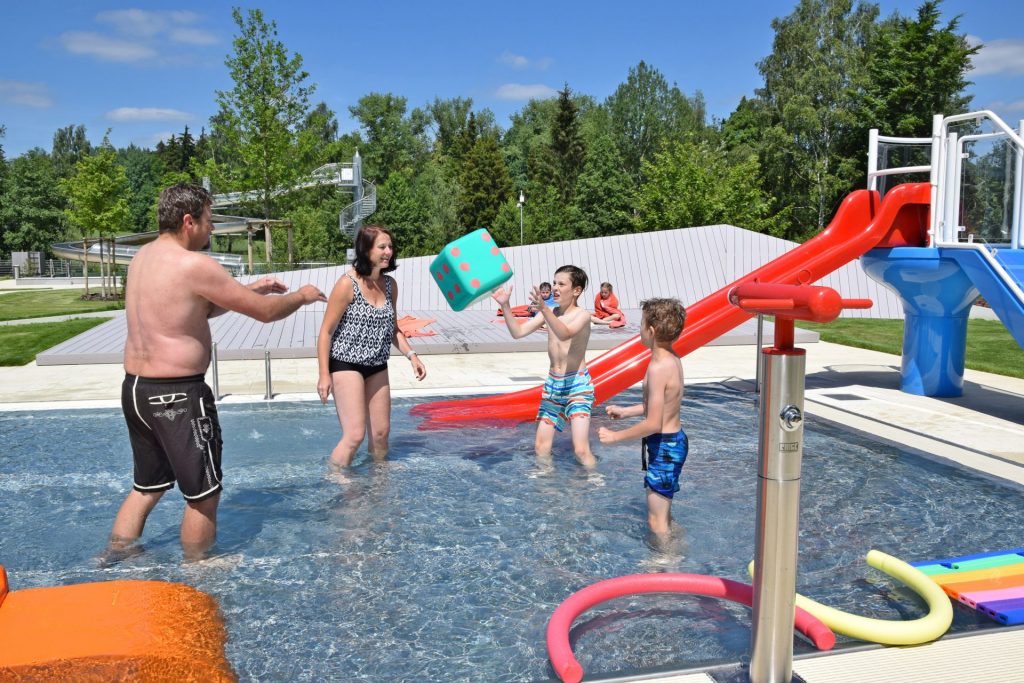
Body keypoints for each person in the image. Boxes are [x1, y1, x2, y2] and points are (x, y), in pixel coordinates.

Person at [110, 183, 327, 561]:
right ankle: (200, 572)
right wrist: (301, 296)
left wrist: (253, 287)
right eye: (209, 221)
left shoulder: (143, 258)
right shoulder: (194, 264)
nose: (212, 229)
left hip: (137, 391)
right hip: (177, 394)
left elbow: (196, 309)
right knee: (204, 495)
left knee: (147, 487)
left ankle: (113, 561)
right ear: (189, 221)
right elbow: (266, 314)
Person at [317, 224, 427, 469]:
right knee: (355, 435)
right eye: (382, 247)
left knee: (380, 434)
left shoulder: (390, 285)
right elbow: (325, 332)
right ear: (366, 250)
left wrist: (412, 355)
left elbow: (392, 329)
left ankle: (378, 484)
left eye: (390, 246)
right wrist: (324, 375)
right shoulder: (348, 284)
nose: (388, 251)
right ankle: (335, 479)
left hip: (377, 365)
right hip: (346, 363)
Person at [597, 298, 687, 535]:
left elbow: (653, 423)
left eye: (641, 324)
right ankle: (674, 554)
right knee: (663, 515)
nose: (639, 329)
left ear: (652, 330)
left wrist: (616, 437)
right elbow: (663, 406)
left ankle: (664, 566)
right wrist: (626, 411)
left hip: (665, 447)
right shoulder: (670, 359)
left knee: (656, 522)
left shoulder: (658, 368)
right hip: (671, 442)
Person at [492, 266, 596, 467]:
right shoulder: (551, 312)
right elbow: (518, 332)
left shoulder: (582, 315)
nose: (555, 287)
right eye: (554, 282)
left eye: (561, 284)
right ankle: (546, 489)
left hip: (577, 386)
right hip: (553, 385)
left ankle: (594, 484)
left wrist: (545, 309)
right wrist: (506, 306)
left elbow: (565, 333)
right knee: (541, 447)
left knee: (581, 450)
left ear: (577, 290)